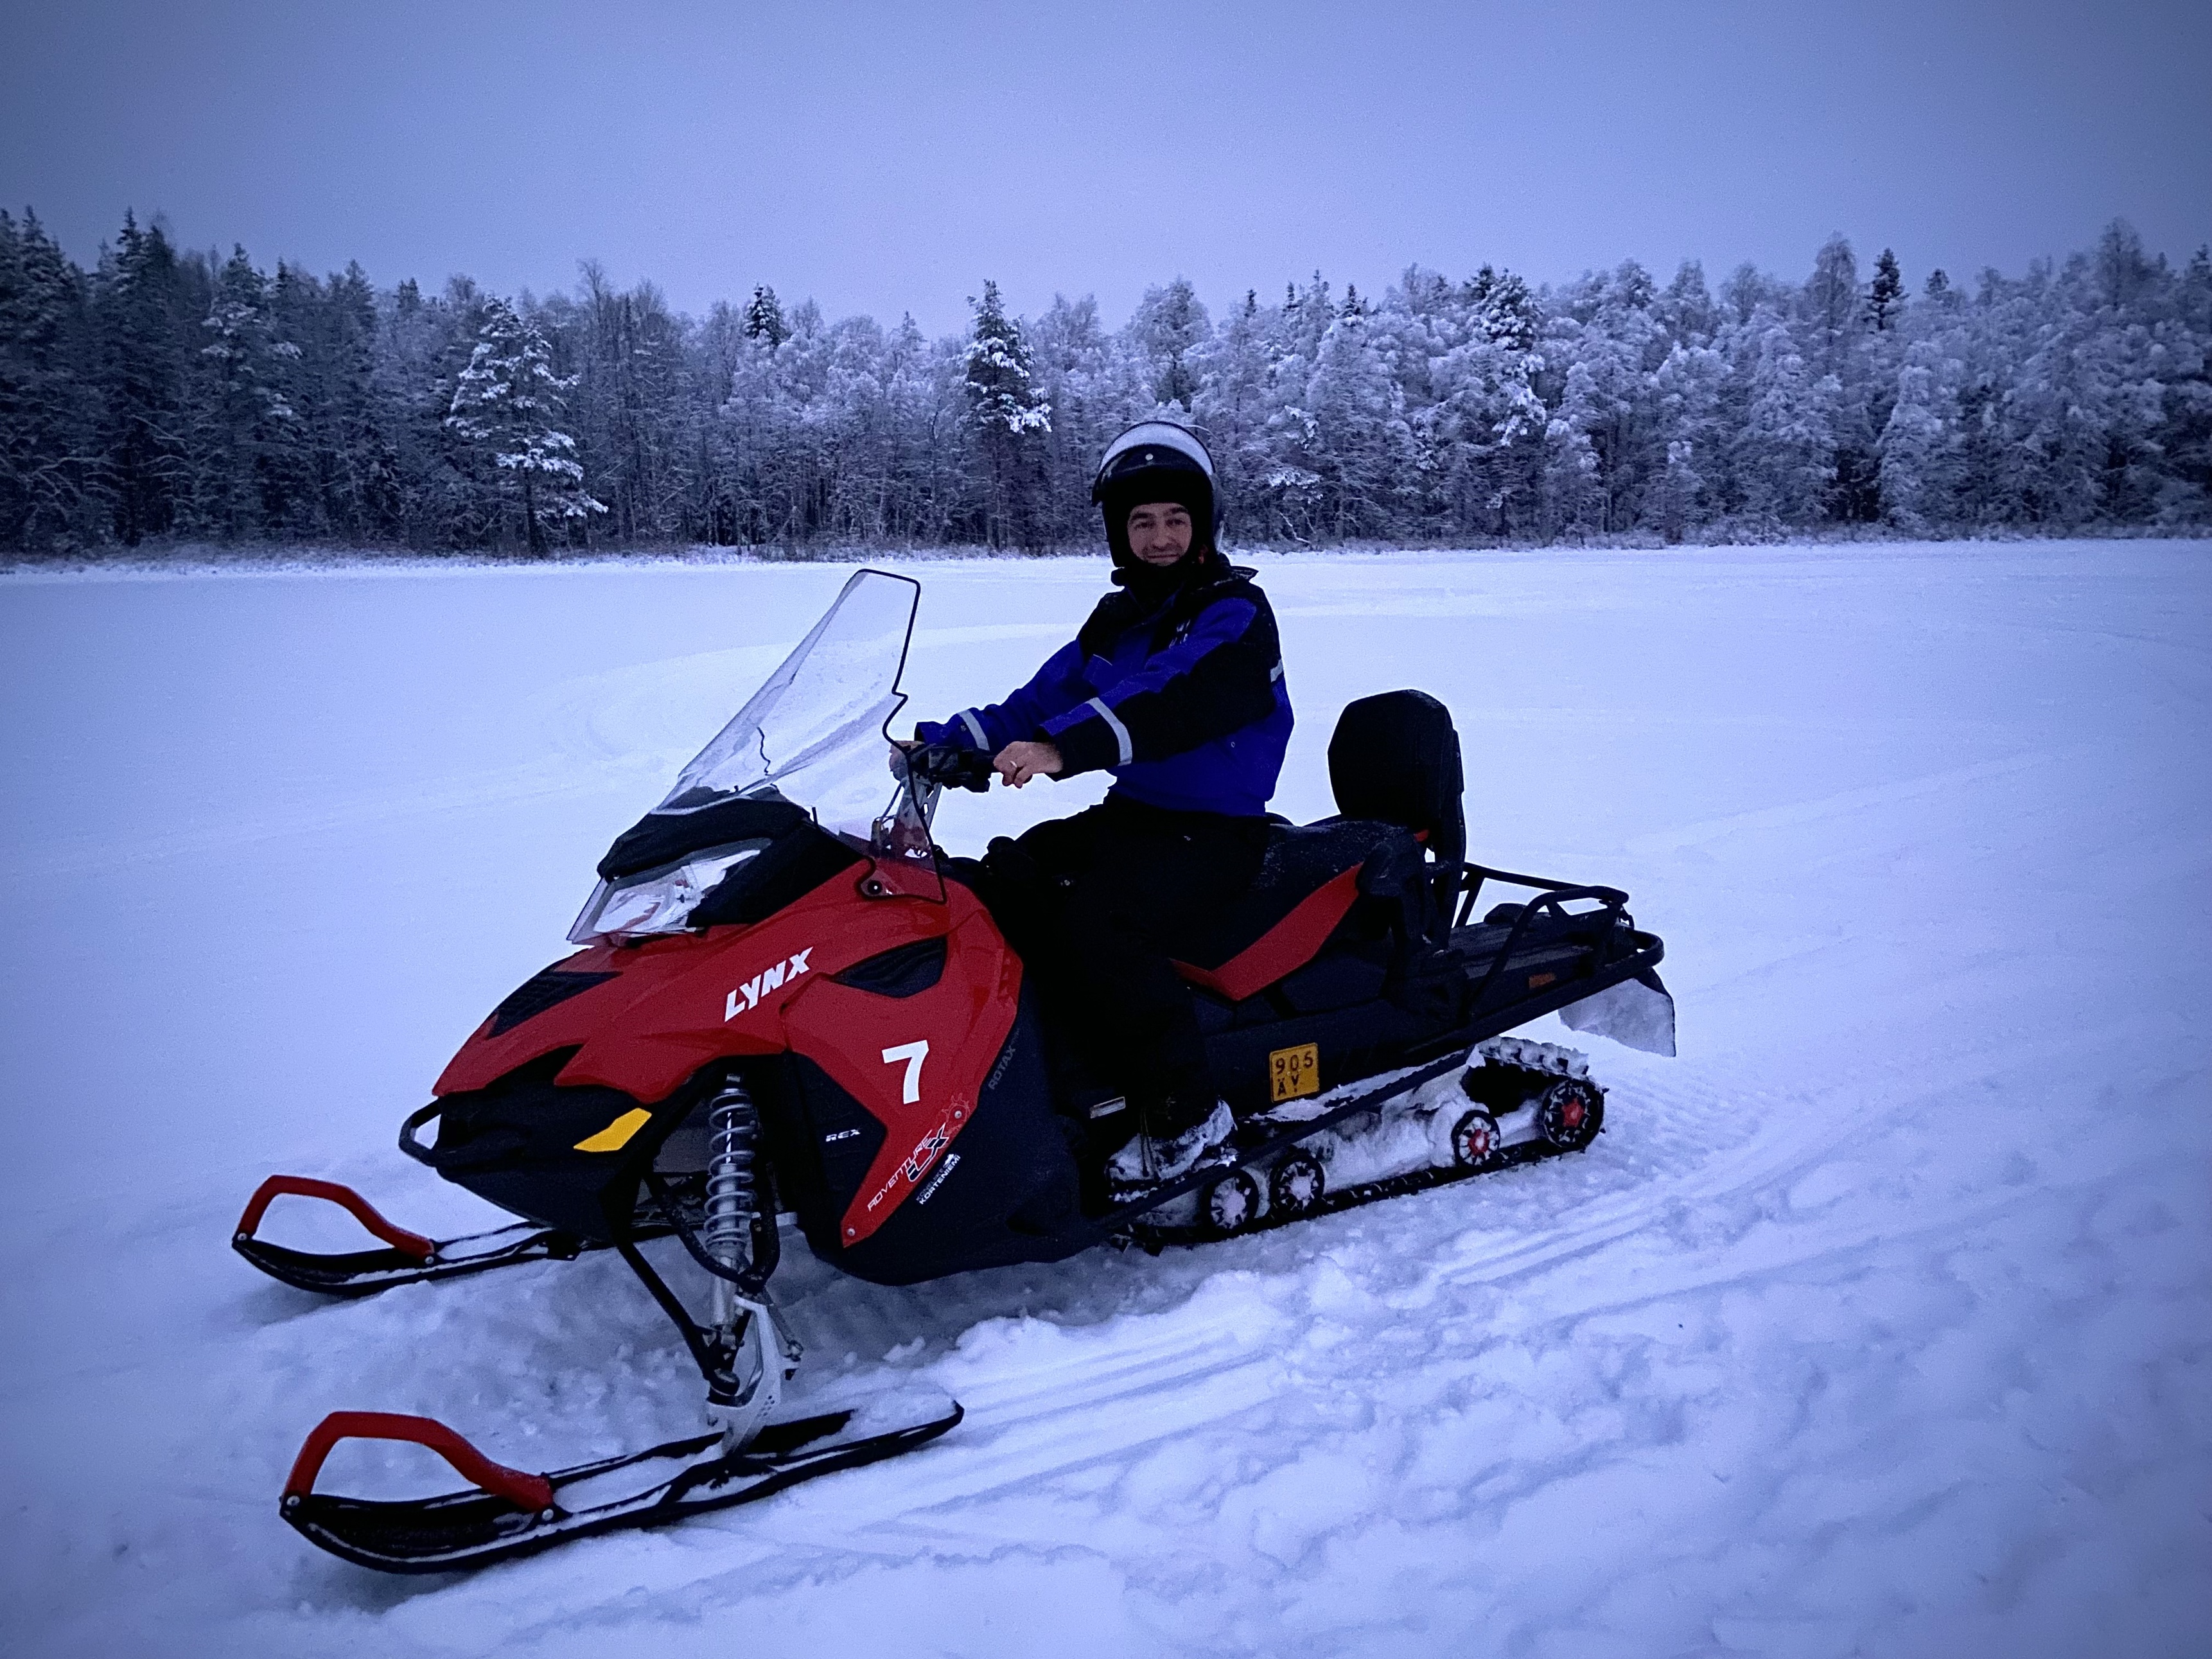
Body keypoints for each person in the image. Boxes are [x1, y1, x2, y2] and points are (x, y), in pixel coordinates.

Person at [906, 422, 1292, 1192]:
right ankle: (1050, 1068)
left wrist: (1061, 751)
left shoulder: (1235, 614)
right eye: (1141, 522)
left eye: (1175, 520)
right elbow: (1040, 700)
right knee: (1010, 878)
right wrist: (943, 743)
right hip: (1138, 815)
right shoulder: (1118, 620)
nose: (1158, 537)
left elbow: (1172, 698)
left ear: (1202, 526)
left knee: (1099, 921)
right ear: (1120, 531)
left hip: (1218, 832)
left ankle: (1187, 1112)